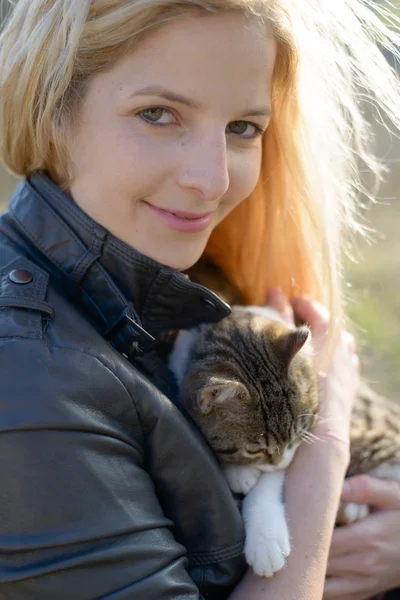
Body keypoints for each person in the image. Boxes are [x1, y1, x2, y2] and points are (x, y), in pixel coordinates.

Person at [0, 1, 398, 598]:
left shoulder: (196, 286)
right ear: (54, 115)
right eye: (157, 114)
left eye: (244, 128)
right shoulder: (28, 370)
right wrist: (326, 442)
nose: (211, 180)